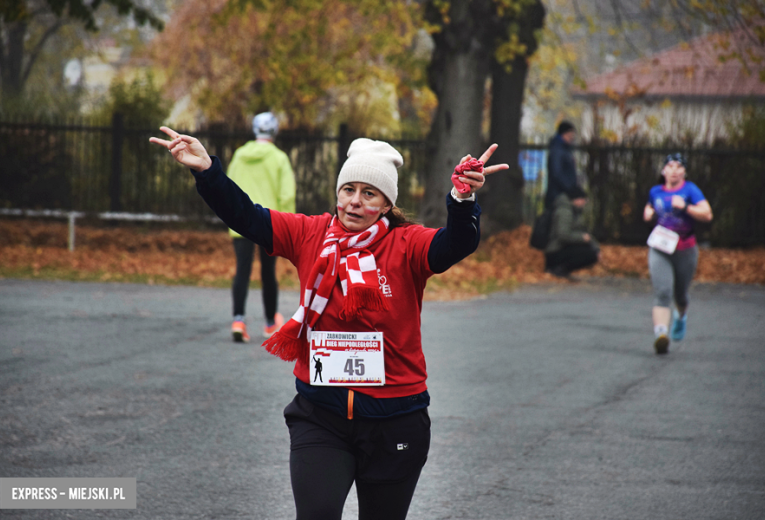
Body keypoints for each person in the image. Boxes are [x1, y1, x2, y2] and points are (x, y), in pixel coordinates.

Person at [150, 127, 508, 520]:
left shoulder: (407, 245)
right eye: (348, 189)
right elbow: (246, 216)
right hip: (322, 418)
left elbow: (455, 245)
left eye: (369, 194)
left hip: (395, 421)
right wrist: (206, 171)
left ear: (387, 204)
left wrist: (461, 198)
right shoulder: (311, 234)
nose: (354, 202)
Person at [227, 112, 296, 343]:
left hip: (240, 222)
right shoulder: (279, 158)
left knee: (242, 271)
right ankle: (269, 324)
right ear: (274, 131)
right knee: (268, 274)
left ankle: (238, 320)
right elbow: (286, 195)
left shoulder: (239, 155)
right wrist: (289, 226)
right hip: (270, 223)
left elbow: (227, 186)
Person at [643, 153, 713, 355]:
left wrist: (686, 207)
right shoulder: (655, 191)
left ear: (684, 172)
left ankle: (681, 316)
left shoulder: (690, 190)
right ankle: (661, 335)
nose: (673, 170)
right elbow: (649, 209)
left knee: (680, 295)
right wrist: (647, 214)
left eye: (678, 166)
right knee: (663, 292)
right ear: (663, 170)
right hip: (660, 249)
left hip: (685, 250)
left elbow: (707, 214)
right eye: (670, 166)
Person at [544, 185, 599, 278]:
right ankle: (557, 268)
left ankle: (561, 269)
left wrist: (596, 248)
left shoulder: (574, 211)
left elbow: (584, 232)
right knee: (588, 254)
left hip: (562, 248)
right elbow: (563, 235)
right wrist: (582, 238)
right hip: (555, 251)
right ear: (577, 199)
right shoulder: (565, 212)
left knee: (590, 251)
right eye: (583, 199)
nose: (584, 202)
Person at [544, 120, 579, 210]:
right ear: (564, 134)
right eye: (570, 135)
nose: (572, 137)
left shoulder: (563, 150)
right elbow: (557, 173)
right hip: (559, 194)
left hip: (561, 192)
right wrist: (570, 189)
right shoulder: (558, 151)